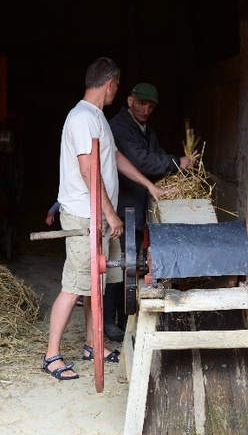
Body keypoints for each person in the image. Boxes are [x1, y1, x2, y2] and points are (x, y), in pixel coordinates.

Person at [42, 58, 169, 381]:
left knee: (94, 286)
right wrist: (110, 214)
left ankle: (91, 345)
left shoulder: (96, 117)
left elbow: (114, 158)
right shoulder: (82, 118)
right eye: (118, 86)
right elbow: (89, 171)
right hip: (85, 215)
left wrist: (148, 185)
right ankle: (51, 355)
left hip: (97, 214)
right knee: (74, 286)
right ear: (111, 83)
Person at [102, 82, 195, 341]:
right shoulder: (119, 128)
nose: (145, 109)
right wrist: (177, 162)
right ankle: (110, 322)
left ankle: (124, 319)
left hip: (138, 205)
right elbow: (142, 161)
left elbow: (156, 156)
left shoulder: (146, 131)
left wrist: (173, 167)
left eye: (150, 106)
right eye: (141, 104)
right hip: (122, 206)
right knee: (119, 264)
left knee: (129, 266)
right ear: (130, 101)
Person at [46, 201, 83, 306]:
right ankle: (78, 295)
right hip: (75, 228)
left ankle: (82, 295)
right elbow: (60, 202)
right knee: (77, 262)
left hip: (84, 228)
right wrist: (51, 213)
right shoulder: (71, 196)